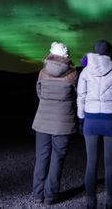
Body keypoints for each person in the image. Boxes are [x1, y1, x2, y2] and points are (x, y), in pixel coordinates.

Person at [77, 40, 112, 209]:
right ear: (110, 52)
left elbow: (81, 97)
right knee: (110, 163)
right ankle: (110, 201)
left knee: (91, 162)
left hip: (91, 121)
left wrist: (81, 118)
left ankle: (90, 202)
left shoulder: (85, 72)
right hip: (110, 122)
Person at [32, 41, 79, 205]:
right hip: (63, 123)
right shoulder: (73, 74)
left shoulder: (42, 73)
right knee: (57, 159)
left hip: (42, 122)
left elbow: (39, 93)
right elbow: (76, 96)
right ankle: (50, 196)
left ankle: (37, 194)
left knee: (41, 158)